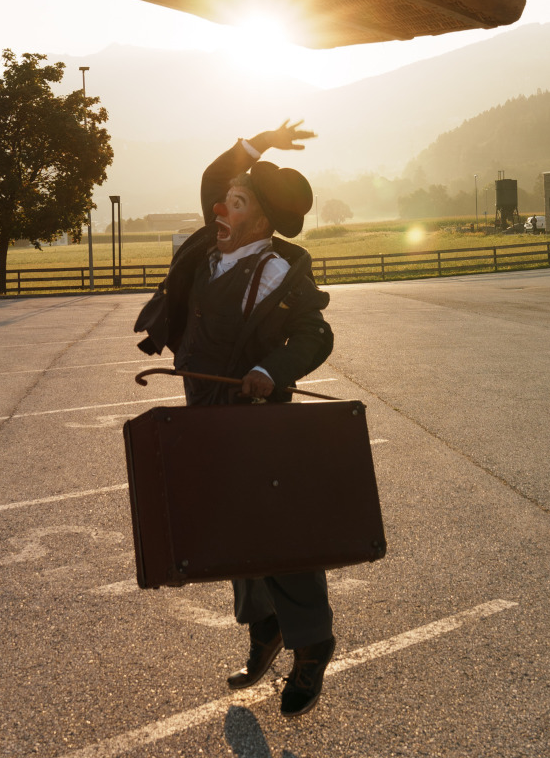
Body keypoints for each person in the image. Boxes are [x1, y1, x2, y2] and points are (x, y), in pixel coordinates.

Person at [133, 121, 337, 717]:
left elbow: (315, 334)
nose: (222, 207)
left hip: (257, 418)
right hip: (204, 411)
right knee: (230, 528)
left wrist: (272, 371)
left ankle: (313, 640)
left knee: (278, 529)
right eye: (226, 201)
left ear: (262, 220)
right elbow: (213, 177)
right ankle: (265, 628)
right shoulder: (211, 246)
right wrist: (261, 143)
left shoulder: (279, 273)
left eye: (238, 203)